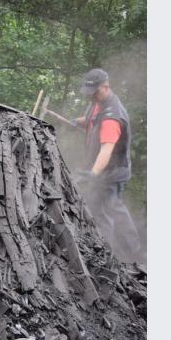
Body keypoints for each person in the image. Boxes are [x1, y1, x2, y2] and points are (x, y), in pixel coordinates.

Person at [72, 68, 142, 262]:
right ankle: (118, 247)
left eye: (95, 92)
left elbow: (106, 149)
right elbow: (92, 120)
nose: (91, 96)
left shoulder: (112, 117)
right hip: (106, 170)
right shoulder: (98, 102)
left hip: (112, 172)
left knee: (107, 209)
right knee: (110, 207)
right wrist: (77, 122)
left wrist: (94, 173)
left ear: (106, 86)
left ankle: (123, 253)